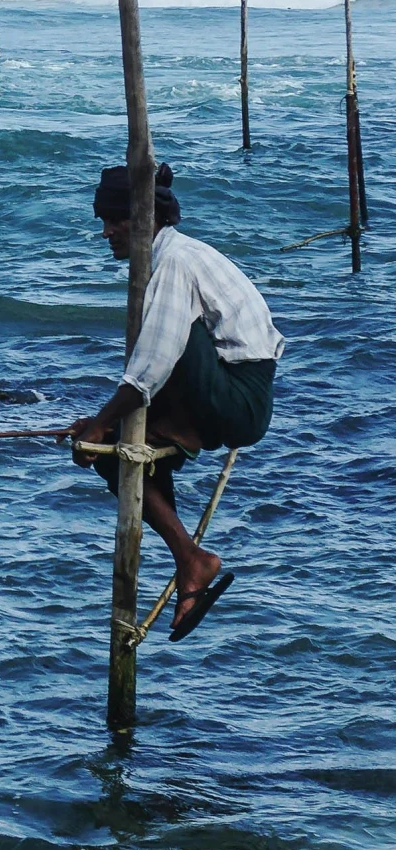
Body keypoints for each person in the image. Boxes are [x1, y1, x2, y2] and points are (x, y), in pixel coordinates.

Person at [70, 161, 284, 639]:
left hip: (240, 397)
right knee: (116, 456)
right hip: (217, 391)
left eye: (114, 221)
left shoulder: (173, 263)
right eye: (103, 222)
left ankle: (172, 429)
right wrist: (105, 429)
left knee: (159, 351)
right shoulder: (162, 260)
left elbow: (155, 360)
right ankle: (190, 559)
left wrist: (103, 420)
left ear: (143, 217)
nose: (106, 232)